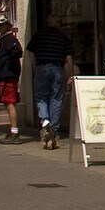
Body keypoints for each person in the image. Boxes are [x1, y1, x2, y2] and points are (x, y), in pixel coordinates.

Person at [24, 18, 76, 149]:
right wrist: (70, 75)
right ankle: (54, 129)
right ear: (57, 24)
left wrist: (35, 66)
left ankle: (45, 122)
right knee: (56, 99)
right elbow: (69, 58)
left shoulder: (39, 35)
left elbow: (30, 51)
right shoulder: (62, 37)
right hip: (58, 69)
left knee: (41, 98)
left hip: (42, 67)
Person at [0, 17, 24, 143]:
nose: (0, 27)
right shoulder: (5, 38)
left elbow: (17, 52)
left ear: (7, 25)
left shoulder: (9, 39)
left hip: (8, 76)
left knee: (10, 103)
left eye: (2, 25)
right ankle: (13, 131)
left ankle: (14, 133)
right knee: (8, 103)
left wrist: (8, 67)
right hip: (5, 75)